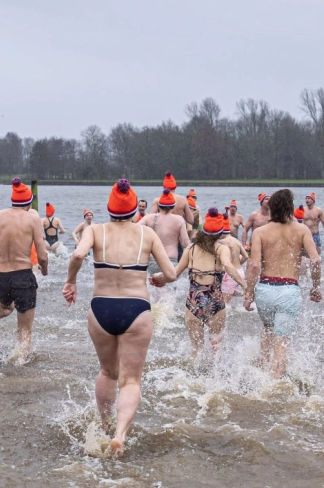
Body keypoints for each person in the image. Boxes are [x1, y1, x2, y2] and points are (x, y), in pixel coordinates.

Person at [64, 180, 177, 457]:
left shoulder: (95, 230)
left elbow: (78, 254)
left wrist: (71, 282)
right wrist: (160, 279)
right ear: (132, 209)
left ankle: (104, 426)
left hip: (101, 308)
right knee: (131, 380)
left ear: (109, 207)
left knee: (107, 372)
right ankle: (120, 435)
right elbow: (172, 274)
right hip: (136, 308)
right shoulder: (146, 234)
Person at [0, 179, 49, 359]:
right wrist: (44, 269)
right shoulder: (32, 217)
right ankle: (19, 369)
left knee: (7, 306)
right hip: (22, 276)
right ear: (29, 203)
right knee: (24, 332)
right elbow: (42, 255)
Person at [244, 189, 319, 379]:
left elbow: (253, 266)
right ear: (291, 207)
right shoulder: (302, 230)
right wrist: (315, 286)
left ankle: (262, 367)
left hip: (265, 289)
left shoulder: (260, 232)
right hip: (288, 290)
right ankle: (274, 383)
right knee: (282, 340)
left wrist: (248, 293)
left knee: (268, 329)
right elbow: (316, 261)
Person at [152, 207, 245, 356]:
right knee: (216, 346)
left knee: (196, 349)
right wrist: (245, 285)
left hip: (194, 303)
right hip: (215, 302)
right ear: (220, 234)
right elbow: (228, 266)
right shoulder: (222, 249)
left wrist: (159, 278)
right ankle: (214, 376)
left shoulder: (191, 248)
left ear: (203, 232)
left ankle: (193, 375)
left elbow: (173, 274)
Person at [145, 191, 190, 271]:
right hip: (171, 261)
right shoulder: (179, 220)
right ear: (173, 206)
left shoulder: (149, 218)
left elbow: (134, 230)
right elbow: (185, 243)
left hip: (153, 260)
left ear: (159, 206)